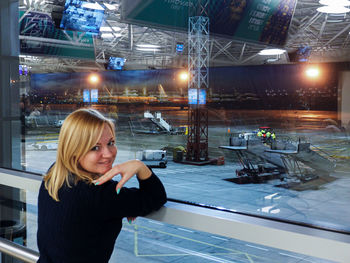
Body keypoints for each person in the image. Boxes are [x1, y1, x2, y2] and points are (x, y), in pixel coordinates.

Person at [37, 108, 167, 263]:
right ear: (74, 150)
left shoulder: (54, 175)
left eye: (111, 143)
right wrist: (140, 166)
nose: (108, 154)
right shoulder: (101, 194)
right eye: (95, 147)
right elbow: (156, 197)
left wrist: (122, 205)